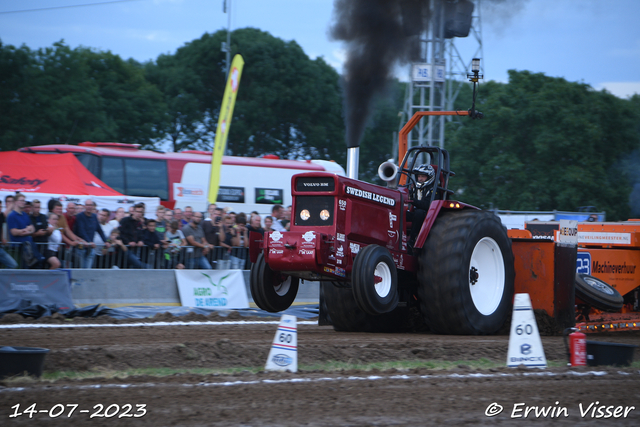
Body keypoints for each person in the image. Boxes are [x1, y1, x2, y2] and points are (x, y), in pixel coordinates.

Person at [407, 164, 439, 251]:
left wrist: (412, 200)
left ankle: (412, 241)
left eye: (423, 177)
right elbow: (407, 195)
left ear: (429, 177)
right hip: (416, 214)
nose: (420, 179)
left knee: (419, 213)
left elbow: (427, 205)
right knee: (401, 213)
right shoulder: (415, 188)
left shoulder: (433, 190)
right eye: (419, 176)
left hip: (429, 217)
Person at [7, 194, 44, 268]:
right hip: (19, 247)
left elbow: (32, 228)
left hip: (29, 246)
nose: (23, 202)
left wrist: (25, 231)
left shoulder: (25, 215)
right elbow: (14, 232)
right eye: (21, 200)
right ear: (16, 202)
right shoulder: (11, 216)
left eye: (24, 200)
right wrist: (26, 230)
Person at [74, 199, 110, 268]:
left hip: (90, 248)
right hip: (81, 247)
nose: (89, 207)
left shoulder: (94, 216)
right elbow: (82, 231)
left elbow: (99, 230)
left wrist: (106, 241)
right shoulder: (80, 216)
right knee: (81, 269)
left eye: (90, 205)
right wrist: (89, 242)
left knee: (88, 269)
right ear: (84, 206)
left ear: (93, 206)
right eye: (87, 205)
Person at [118, 203, 146, 268]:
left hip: (136, 249)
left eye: (140, 212)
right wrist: (128, 242)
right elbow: (119, 233)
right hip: (125, 249)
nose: (139, 213)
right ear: (133, 211)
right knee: (138, 265)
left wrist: (141, 241)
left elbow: (142, 234)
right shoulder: (125, 220)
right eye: (137, 211)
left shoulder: (140, 223)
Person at [0, 198, 18, 269]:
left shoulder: (1, 215)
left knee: (13, 264)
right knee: (12, 264)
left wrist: (2, 239)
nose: (0, 209)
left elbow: (1, 227)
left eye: (1, 207)